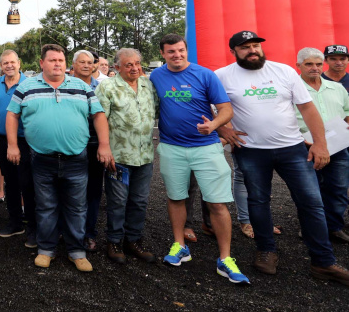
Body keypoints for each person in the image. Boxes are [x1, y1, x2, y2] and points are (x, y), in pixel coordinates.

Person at [217, 32, 349, 284]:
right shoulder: (222, 75)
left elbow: (307, 108)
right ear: (233, 50)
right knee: (258, 201)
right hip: (251, 150)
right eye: (245, 47)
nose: (252, 50)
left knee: (312, 202)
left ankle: (323, 261)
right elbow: (210, 105)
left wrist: (320, 144)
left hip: (292, 148)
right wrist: (223, 128)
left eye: (256, 45)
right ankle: (266, 251)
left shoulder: (284, 72)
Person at [149, 33, 248, 284]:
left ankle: (225, 258)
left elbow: (226, 109)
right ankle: (179, 245)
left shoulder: (205, 74)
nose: (177, 55)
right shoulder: (156, 76)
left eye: (181, 50)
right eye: (171, 51)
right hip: (171, 148)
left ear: (186, 50)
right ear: (163, 54)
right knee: (176, 197)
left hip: (205, 147)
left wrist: (214, 124)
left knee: (217, 203)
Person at [6, 44, 114, 272]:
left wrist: (104, 145)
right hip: (42, 158)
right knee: (45, 206)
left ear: (66, 64)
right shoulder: (26, 87)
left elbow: (98, 115)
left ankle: (77, 251)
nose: (57, 64)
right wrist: (13, 145)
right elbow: (12, 115)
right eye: (52, 60)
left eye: (61, 61)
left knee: (76, 206)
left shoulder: (81, 86)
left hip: (76, 158)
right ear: (41, 63)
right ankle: (46, 249)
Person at [95, 49, 158, 264]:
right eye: (128, 64)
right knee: (118, 201)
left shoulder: (148, 85)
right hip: (118, 156)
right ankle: (114, 241)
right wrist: (105, 148)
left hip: (144, 156)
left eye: (137, 63)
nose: (134, 68)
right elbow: (100, 117)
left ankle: (133, 241)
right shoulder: (107, 87)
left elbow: (156, 112)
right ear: (117, 67)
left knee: (139, 201)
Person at [295, 47, 349, 244]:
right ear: (298, 65)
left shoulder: (337, 88)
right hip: (305, 146)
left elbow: (347, 111)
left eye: (318, 64)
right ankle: (311, 229)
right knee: (310, 191)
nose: (315, 68)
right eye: (309, 64)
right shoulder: (292, 90)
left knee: (339, 188)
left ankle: (334, 227)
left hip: (338, 146)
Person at [0, 50, 36, 247]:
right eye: (5, 63)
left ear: (19, 63)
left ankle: (34, 226)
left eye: (12, 62)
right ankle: (16, 222)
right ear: (1, 65)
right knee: (10, 182)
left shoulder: (30, 84)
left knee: (28, 183)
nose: (9, 65)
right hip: (1, 138)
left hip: (24, 140)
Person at [70, 49, 103, 250]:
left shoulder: (102, 88)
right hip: (71, 146)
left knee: (92, 191)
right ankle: (67, 230)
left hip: (93, 144)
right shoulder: (63, 85)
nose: (85, 65)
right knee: (69, 191)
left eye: (89, 62)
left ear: (94, 65)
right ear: (73, 65)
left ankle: (88, 232)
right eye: (81, 62)